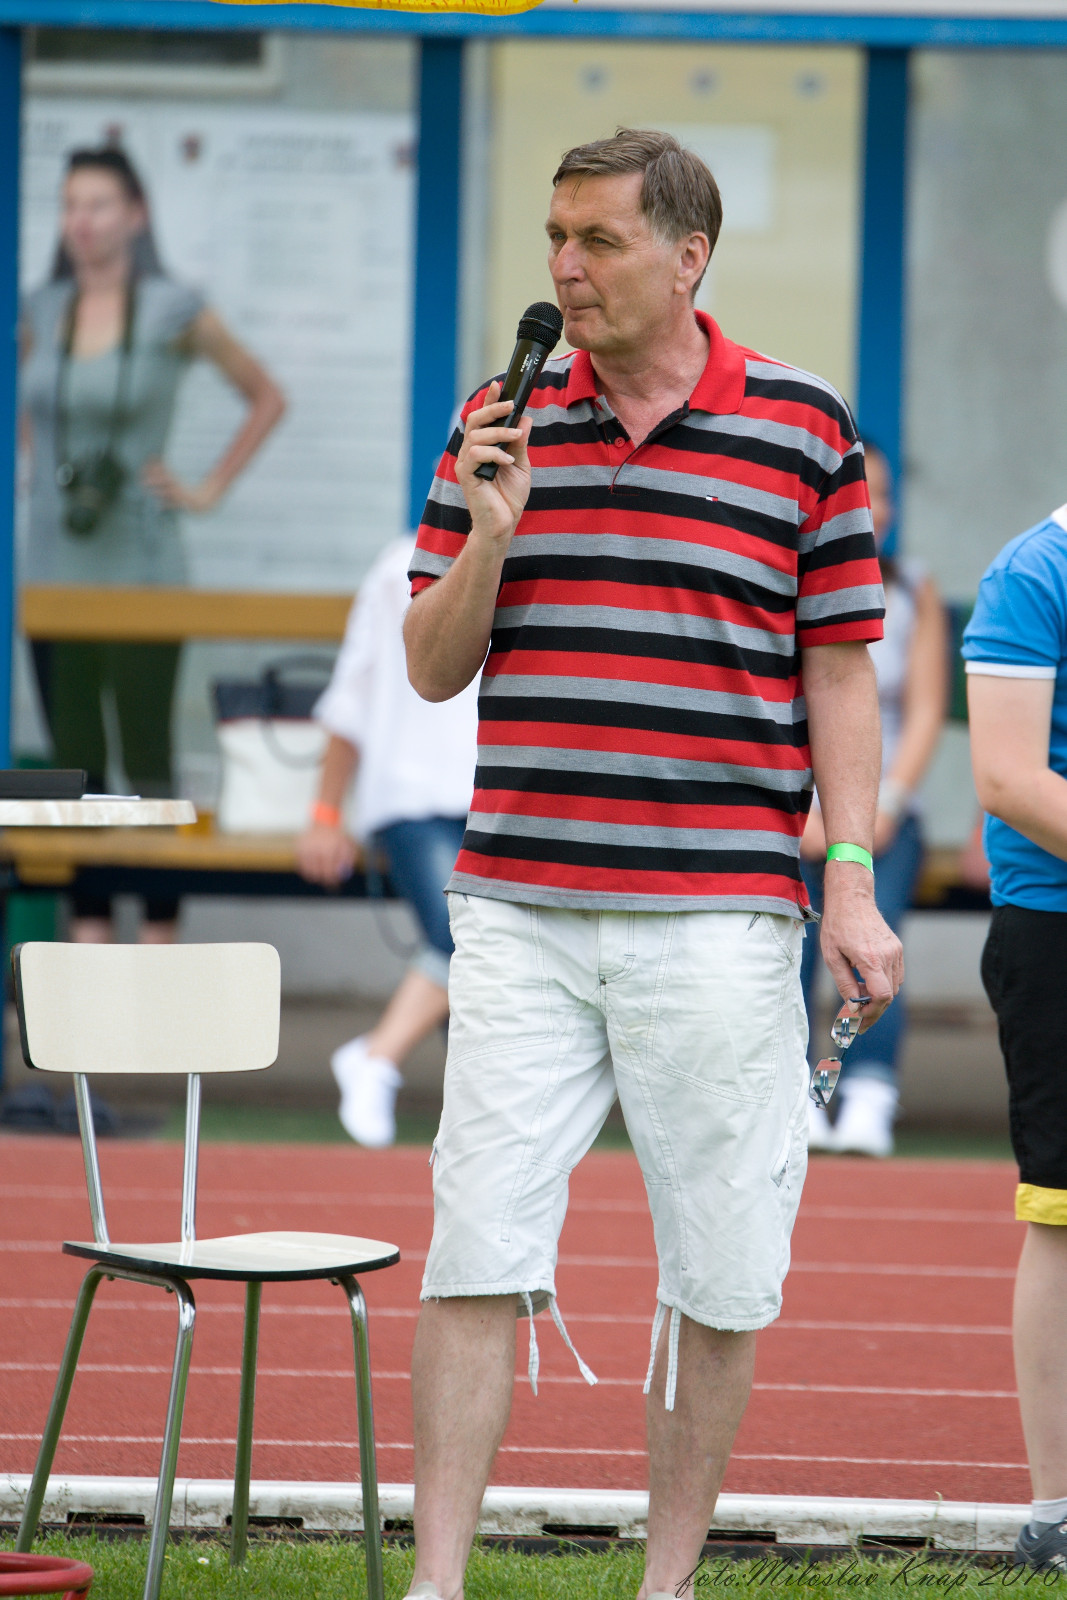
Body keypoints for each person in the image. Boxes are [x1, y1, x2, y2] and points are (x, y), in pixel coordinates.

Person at [401, 128, 902, 1600]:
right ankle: (436, 1585)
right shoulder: (494, 419)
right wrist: (489, 534)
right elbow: (430, 666)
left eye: (599, 241)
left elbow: (840, 670)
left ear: (688, 257)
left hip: (718, 912)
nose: (564, 268)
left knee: (719, 1265)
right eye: (554, 238)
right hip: (518, 905)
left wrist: (849, 876)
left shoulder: (803, 426)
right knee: (474, 1246)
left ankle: (664, 1585)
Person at [19, 146, 285, 943]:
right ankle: (92, 947)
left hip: (143, 565)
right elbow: (30, 403)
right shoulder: (39, 306)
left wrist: (204, 490)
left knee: (147, 761)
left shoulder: (173, 307)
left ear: (135, 215)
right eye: (70, 204)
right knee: (74, 767)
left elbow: (264, 396)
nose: (82, 221)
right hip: (53, 565)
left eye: (98, 204)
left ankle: (159, 949)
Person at [296, 536, 478, 1148]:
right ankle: (378, 1058)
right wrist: (325, 813)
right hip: (412, 796)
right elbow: (353, 691)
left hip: (507, 799)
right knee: (468, 938)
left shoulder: (555, 545)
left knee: (486, 949)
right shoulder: (401, 563)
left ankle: (394, 1069)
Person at [964, 501, 1067, 1569]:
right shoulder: (1033, 571)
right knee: (1064, 1214)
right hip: (1056, 927)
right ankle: (1057, 1511)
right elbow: (1005, 777)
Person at [800, 441, 947, 1156]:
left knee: (874, 943)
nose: (875, 509)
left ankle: (867, 1091)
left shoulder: (913, 586)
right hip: (788, 810)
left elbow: (924, 712)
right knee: (788, 951)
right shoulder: (784, 576)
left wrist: (884, 805)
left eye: (884, 495)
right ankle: (793, 1092)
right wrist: (806, 815)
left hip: (881, 812)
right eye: (863, 493)